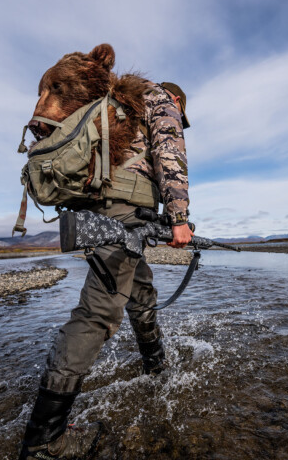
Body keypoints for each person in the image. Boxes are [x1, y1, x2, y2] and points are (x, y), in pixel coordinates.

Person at [19, 82, 192, 460]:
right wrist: (179, 218)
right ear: (178, 101)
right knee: (97, 313)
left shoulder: (120, 104)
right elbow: (170, 152)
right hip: (125, 207)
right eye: (181, 113)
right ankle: (45, 440)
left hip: (109, 207)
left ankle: (155, 367)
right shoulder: (162, 99)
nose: (179, 117)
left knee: (140, 293)